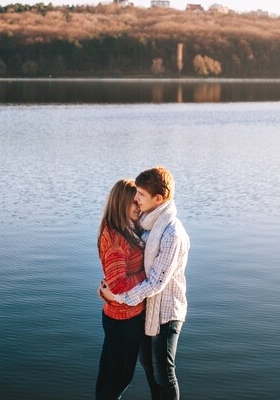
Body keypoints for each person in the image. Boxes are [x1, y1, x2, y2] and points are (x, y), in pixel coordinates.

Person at [100, 166, 190, 400]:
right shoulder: (147, 223)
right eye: (136, 194)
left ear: (158, 199)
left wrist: (116, 295)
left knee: (163, 373)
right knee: (149, 370)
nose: (137, 200)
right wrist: (112, 279)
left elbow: (155, 282)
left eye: (140, 194)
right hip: (145, 308)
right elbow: (126, 255)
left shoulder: (171, 233)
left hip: (166, 313)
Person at [96, 179, 149, 400]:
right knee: (120, 377)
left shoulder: (121, 228)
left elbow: (114, 280)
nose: (138, 206)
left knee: (108, 375)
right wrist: (150, 274)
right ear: (120, 204)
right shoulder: (117, 238)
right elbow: (118, 284)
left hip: (117, 315)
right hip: (124, 319)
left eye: (139, 201)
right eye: (134, 203)